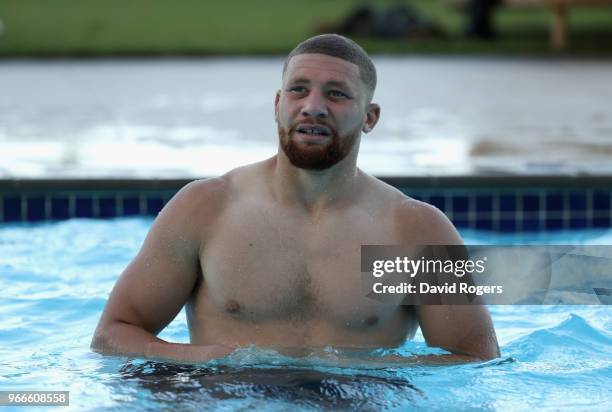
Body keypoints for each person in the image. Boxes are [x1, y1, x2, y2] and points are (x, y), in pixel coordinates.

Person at [91, 34, 500, 364]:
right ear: (277, 104)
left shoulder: (413, 229)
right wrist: (203, 360)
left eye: (336, 94)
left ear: (369, 117)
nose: (313, 107)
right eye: (298, 90)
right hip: (227, 397)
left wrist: (361, 372)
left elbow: (474, 356)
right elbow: (114, 333)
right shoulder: (207, 208)